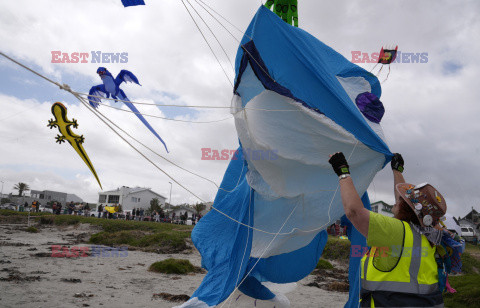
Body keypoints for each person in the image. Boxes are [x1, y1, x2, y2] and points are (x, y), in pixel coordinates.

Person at [328, 152, 446, 307]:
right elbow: (405, 203)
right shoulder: (430, 234)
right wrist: (397, 171)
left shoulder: (397, 231)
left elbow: (354, 211)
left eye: (403, 201)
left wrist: (342, 172)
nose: (396, 202)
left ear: (408, 210)